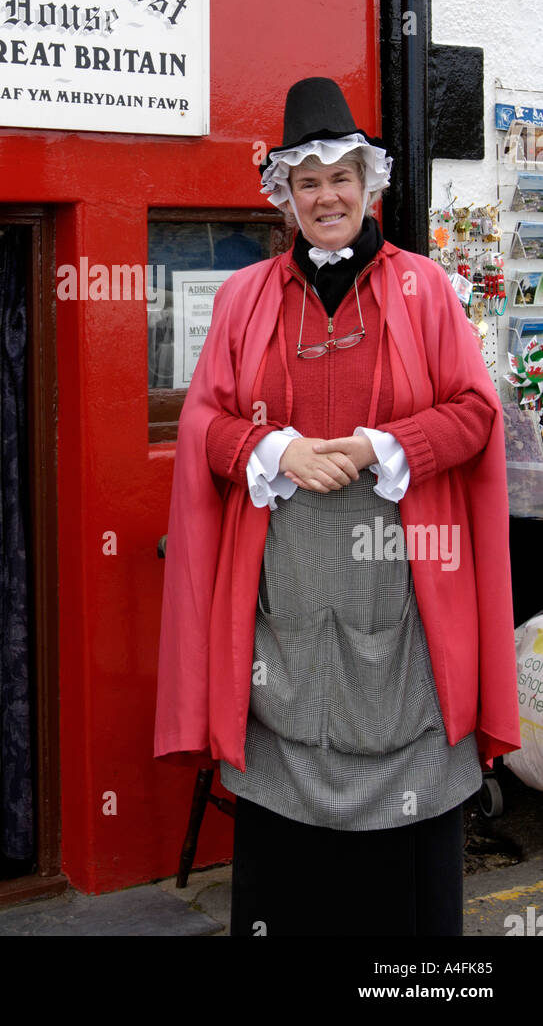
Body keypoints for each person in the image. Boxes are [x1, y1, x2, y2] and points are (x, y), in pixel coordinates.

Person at [154, 77, 521, 937]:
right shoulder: (244, 297)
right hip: (282, 587)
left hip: (400, 586)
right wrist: (272, 448)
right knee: (287, 862)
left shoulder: (426, 289)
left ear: (369, 186)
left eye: (341, 176)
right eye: (307, 181)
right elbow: (204, 421)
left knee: (403, 879)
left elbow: (474, 414)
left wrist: (372, 448)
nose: (326, 195)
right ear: (284, 194)